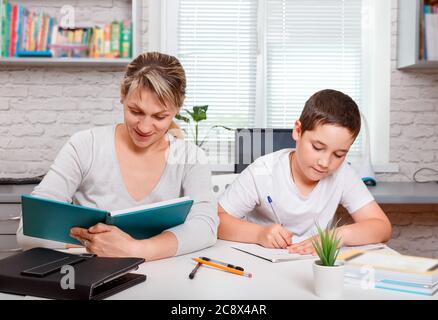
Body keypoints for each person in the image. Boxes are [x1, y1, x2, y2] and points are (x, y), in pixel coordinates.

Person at [17, 52, 218, 260]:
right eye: (136, 111)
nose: (145, 127)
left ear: (178, 108)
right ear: (123, 93)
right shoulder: (85, 146)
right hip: (92, 279)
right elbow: (28, 231)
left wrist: (135, 250)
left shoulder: (191, 158)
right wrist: (97, 243)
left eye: (160, 116)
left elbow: (206, 226)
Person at [218, 89, 391, 255]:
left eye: (339, 154)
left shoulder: (343, 173)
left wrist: (337, 236)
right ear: (298, 131)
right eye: (317, 147)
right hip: (261, 265)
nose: (325, 163)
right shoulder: (262, 172)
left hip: (311, 266)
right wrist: (259, 234)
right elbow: (216, 221)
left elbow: (382, 227)